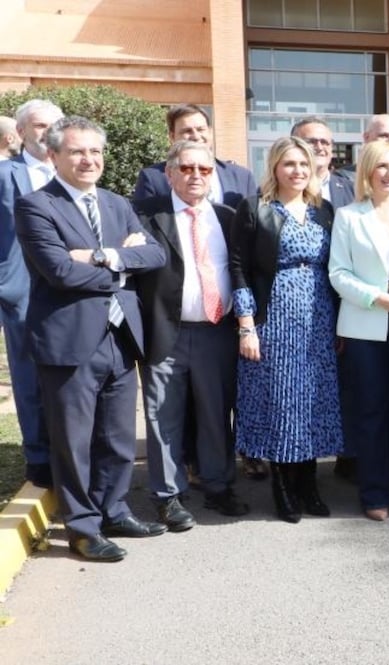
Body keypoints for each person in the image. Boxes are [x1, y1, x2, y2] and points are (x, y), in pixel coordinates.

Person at [15, 116, 168, 561]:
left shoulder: (116, 203)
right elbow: (59, 272)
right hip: (68, 341)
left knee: (118, 437)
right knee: (74, 441)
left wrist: (102, 256)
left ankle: (114, 509)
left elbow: (154, 254)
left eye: (96, 152)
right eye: (78, 151)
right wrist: (123, 266)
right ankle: (82, 527)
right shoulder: (36, 206)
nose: (89, 160)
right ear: (54, 155)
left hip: (120, 336)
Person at [136, 140, 249, 530]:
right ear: (169, 174)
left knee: (216, 413)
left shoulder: (228, 216)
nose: (195, 175)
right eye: (186, 168)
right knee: (162, 416)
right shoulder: (147, 217)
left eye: (203, 169)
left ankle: (218, 485)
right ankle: (168, 496)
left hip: (217, 332)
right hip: (166, 332)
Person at [230, 136, 343, 523]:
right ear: (275, 167)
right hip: (273, 316)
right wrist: (246, 324)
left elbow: (336, 267)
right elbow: (239, 266)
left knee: (313, 400)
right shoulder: (255, 208)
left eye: (303, 164)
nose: (297, 171)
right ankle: (283, 487)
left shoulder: (323, 210)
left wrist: (341, 324)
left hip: (319, 316)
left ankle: (309, 485)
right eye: (289, 164)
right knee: (281, 401)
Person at [330, 142, 389, 521]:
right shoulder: (349, 217)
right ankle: (374, 492)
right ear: (367, 173)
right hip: (366, 322)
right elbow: (338, 272)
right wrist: (376, 298)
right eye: (381, 166)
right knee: (371, 409)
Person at [0, 98, 61, 489]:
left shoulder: (73, 173)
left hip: (68, 287)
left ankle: (71, 450)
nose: (46, 132)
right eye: (38, 125)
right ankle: (39, 456)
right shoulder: (5, 175)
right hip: (22, 289)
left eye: (53, 125)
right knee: (28, 374)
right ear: (20, 132)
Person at [132, 104, 258, 210]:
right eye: (187, 131)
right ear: (172, 137)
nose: (196, 136)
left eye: (200, 129)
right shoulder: (152, 178)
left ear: (210, 132)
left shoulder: (242, 177)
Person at [291, 117, 354, 207]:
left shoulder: (352, 191)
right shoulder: (276, 191)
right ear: (293, 146)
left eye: (324, 142)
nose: (319, 147)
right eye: (311, 142)